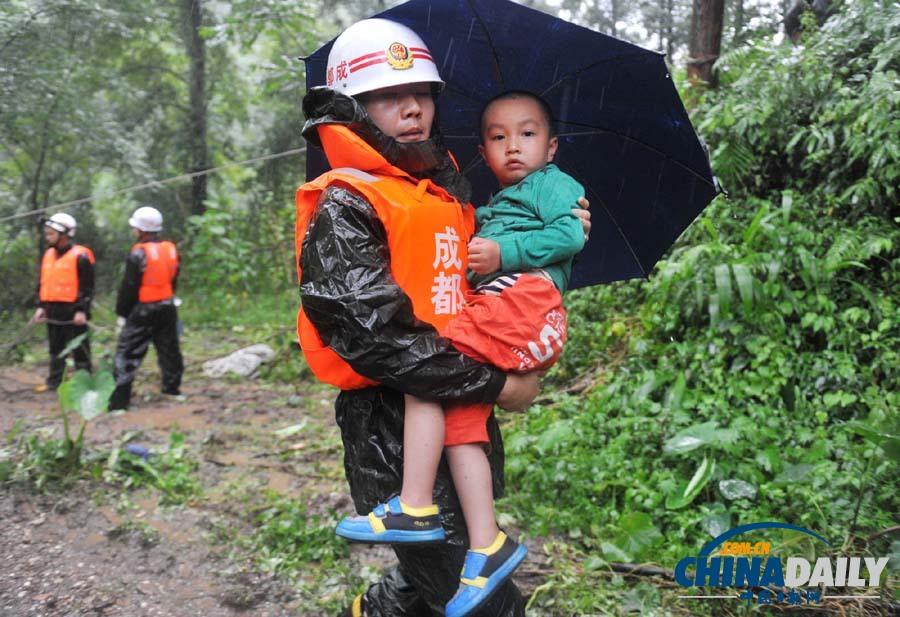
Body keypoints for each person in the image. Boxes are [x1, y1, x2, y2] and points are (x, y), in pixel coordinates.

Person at [295, 19, 590, 617]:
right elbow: (377, 336)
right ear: (353, 108)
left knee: (431, 580)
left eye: (422, 92)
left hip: (455, 403)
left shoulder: (441, 196)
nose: (412, 107)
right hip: (392, 424)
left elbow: (475, 290)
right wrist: (499, 384)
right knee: (478, 596)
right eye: (387, 95)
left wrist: (557, 234)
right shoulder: (347, 200)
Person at [108, 206, 184, 411]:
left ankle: (118, 402)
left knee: (127, 353)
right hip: (167, 307)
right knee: (169, 349)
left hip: (144, 310)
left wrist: (123, 313)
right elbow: (174, 278)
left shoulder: (138, 254)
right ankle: (172, 389)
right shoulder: (171, 249)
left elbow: (129, 287)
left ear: (141, 230)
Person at [32, 212, 95, 390]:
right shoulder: (49, 254)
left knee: (80, 348)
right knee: (56, 347)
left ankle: (85, 381)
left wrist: (81, 310)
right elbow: (43, 282)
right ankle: (55, 381)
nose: (48, 237)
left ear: (64, 234)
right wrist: (41, 307)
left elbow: (87, 287)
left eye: (51, 233)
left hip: (73, 309)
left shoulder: (81, 256)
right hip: (53, 308)